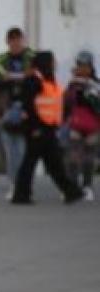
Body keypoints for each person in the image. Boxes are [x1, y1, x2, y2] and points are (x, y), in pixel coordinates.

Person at [12, 51, 91, 204]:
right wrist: (35, 127)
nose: (55, 63)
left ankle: (69, 191)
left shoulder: (47, 79)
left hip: (47, 127)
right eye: (52, 61)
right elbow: (29, 105)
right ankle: (23, 194)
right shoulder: (34, 80)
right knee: (37, 162)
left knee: (51, 162)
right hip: (38, 128)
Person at [0, 28, 34, 195]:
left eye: (18, 40)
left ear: (23, 40)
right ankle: (14, 183)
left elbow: (41, 80)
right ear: (7, 41)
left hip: (27, 109)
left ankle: (22, 184)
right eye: (12, 40)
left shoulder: (33, 58)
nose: (15, 43)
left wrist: (18, 77)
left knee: (23, 149)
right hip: (6, 108)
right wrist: (5, 80)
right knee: (9, 150)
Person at [64, 50, 100, 190]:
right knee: (73, 156)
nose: (84, 69)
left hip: (93, 124)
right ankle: (72, 185)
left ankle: (87, 186)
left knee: (89, 158)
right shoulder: (73, 83)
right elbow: (67, 102)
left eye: (86, 66)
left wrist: (89, 90)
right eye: (81, 65)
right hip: (76, 123)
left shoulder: (96, 83)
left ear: (91, 67)